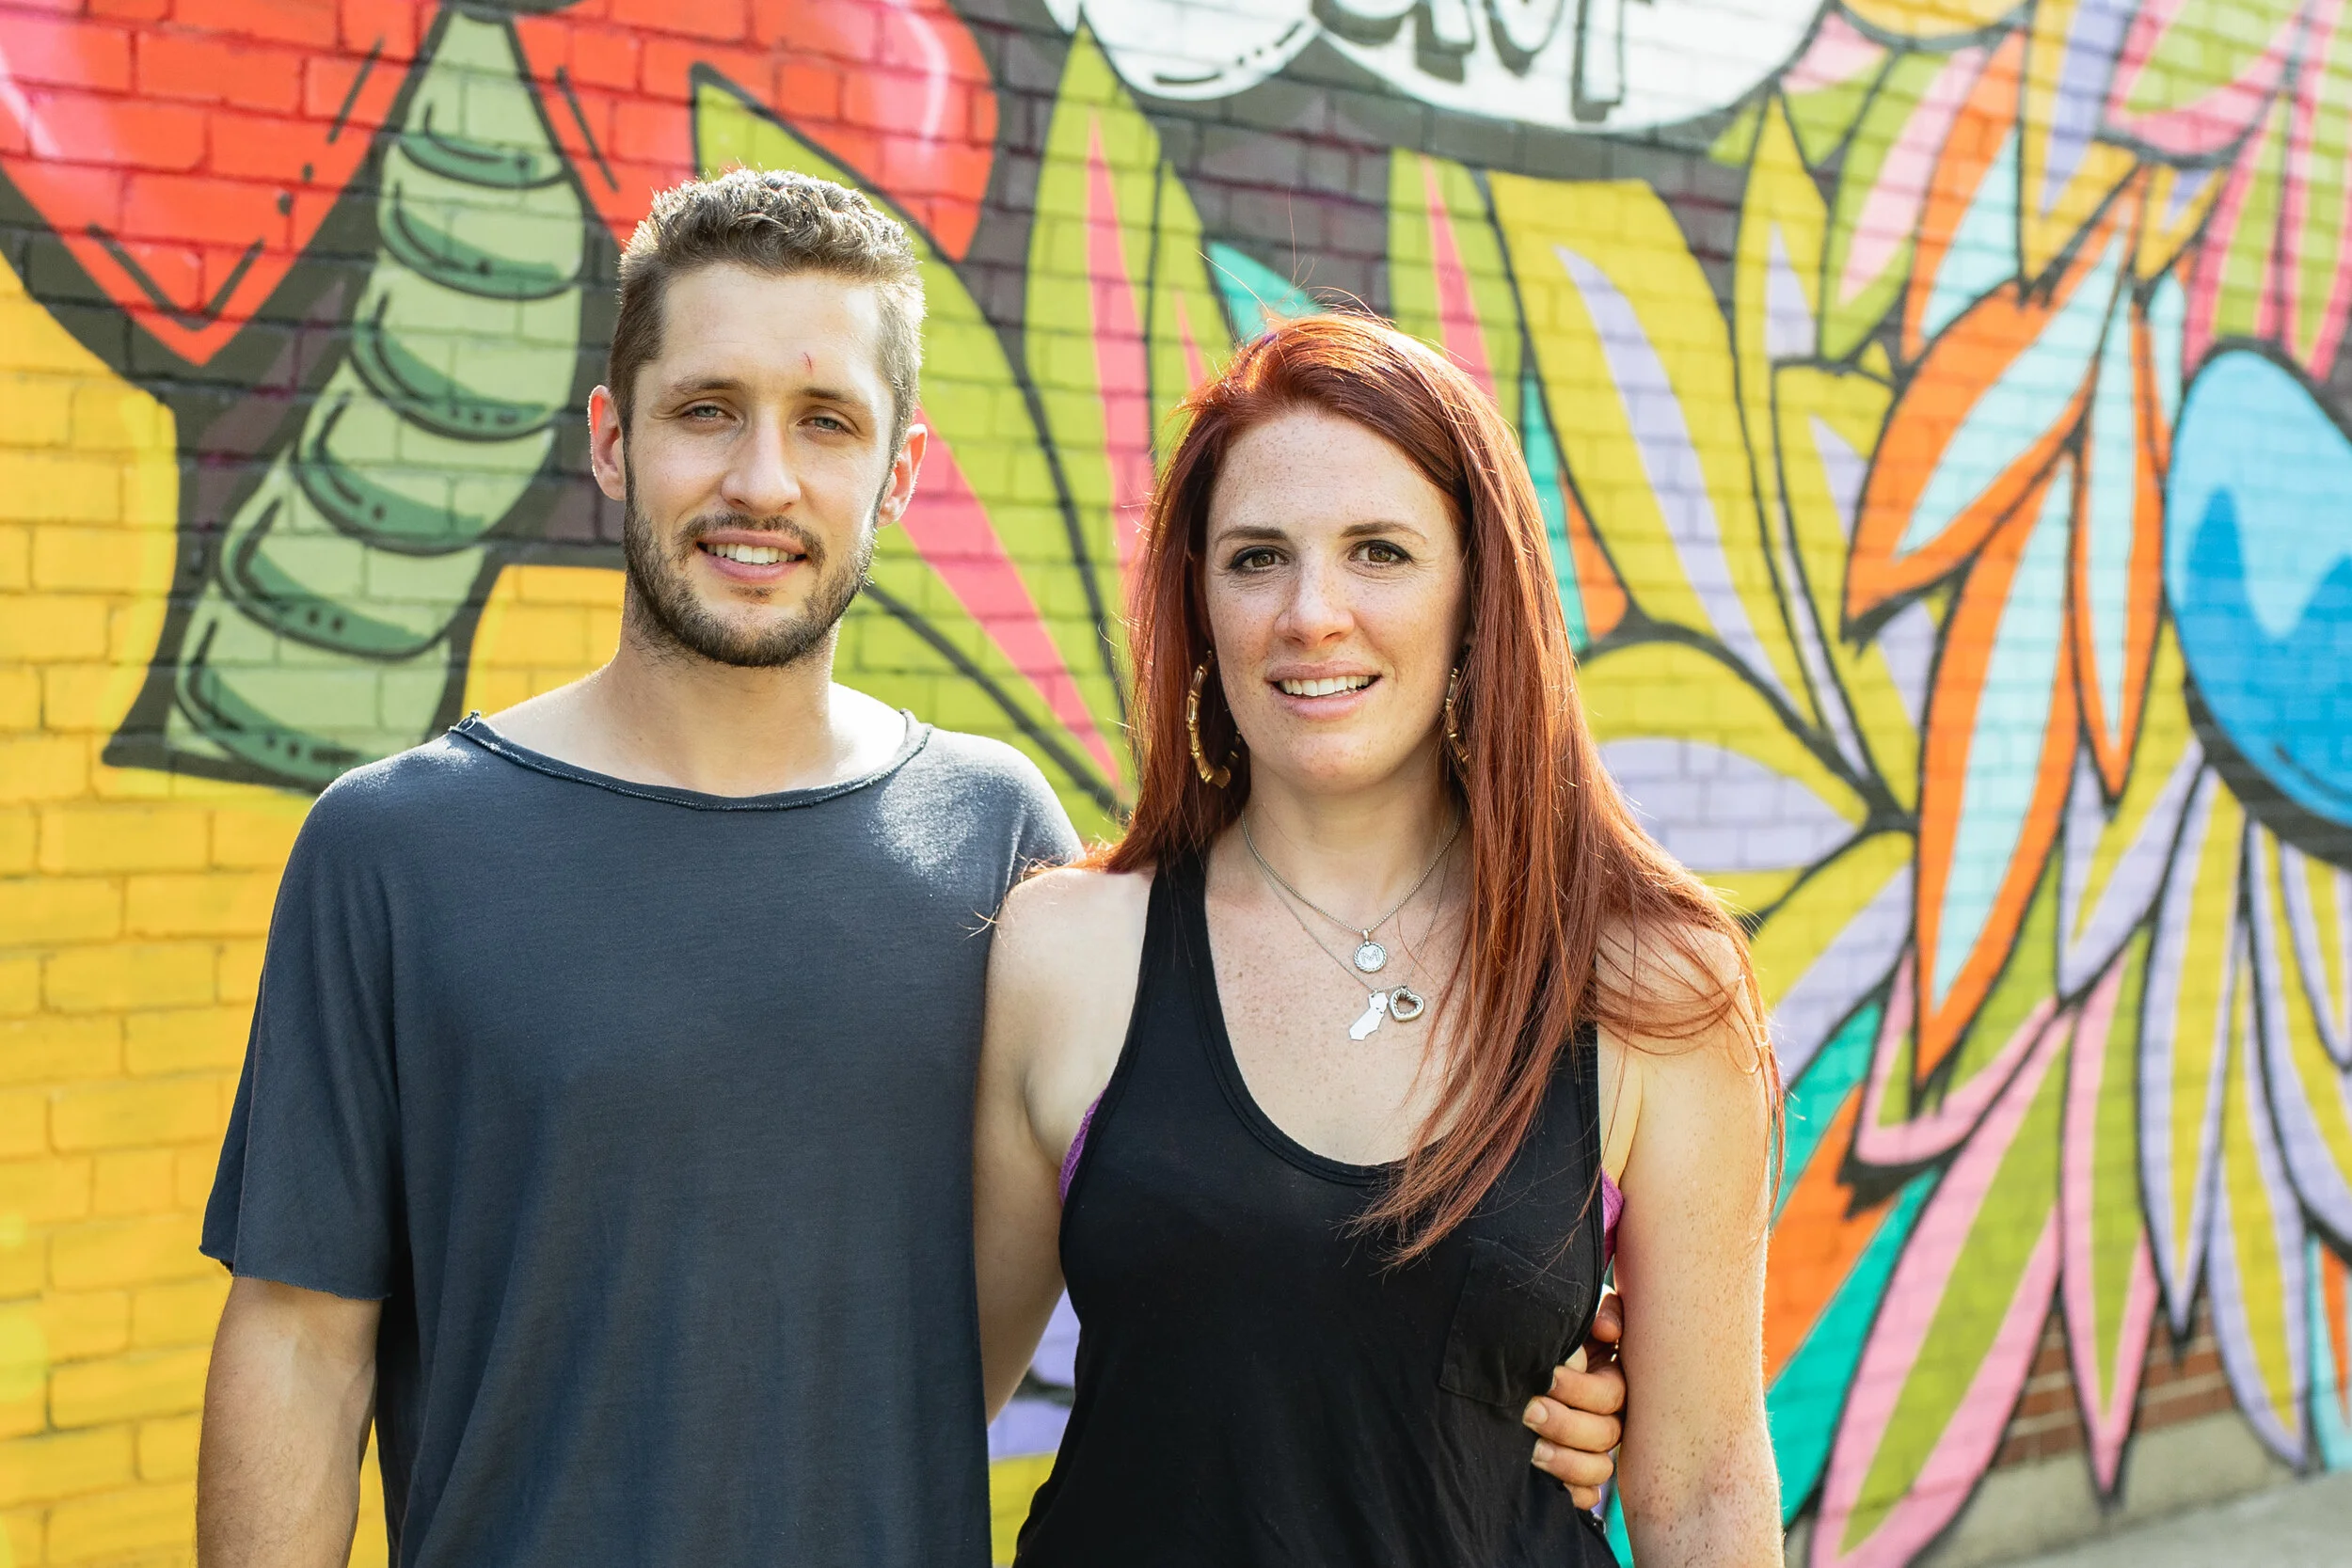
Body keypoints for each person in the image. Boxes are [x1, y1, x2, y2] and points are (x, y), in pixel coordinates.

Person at [193, 170, 1626, 1568]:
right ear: (614, 440)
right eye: (706, 410)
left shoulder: (1000, 850)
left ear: (901, 474)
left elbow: (1203, 1254)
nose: (762, 481)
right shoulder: (395, 853)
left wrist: (1533, 1344)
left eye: (826, 422)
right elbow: (301, 1350)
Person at [974, 314, 1783, 1565]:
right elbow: (928, 1394)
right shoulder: (1063, 952)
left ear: (1477, 597)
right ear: (1201, 601)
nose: (1313, 613)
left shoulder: (1648, 986)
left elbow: (1708, 1491)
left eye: (1380, 552)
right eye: (1257, 558)